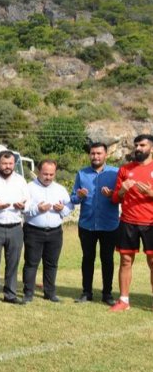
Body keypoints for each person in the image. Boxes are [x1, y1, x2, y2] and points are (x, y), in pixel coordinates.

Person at [70, 143, 119, 305]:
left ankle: (107, 294)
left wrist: (113, 194)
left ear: (106, 155)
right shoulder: (81, 173)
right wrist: (79, 195)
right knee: (87, 259)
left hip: (109, 225)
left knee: (107, 260)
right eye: (92, 153)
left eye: (99, 153)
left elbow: (121, 196)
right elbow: (74, 198)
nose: (95, 156)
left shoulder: (115, 172)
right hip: (87, 225)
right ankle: (86, 292)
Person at [109, 134, 153, 312]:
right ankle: (124, 300)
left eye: (142, 145)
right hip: (128, 222)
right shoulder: (125, 170)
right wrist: (121, 191)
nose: (138, 148)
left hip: (151, 222)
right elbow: (114, 199)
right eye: (136, 145)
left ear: (151, 148)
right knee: (126, 260)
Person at [0, 151, 30, 305]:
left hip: (15, 227)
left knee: (13, 262)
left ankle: (10, 294)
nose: (8, 167)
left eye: (10, 164)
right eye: (4, 163)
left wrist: (23, 206)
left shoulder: (21, 180)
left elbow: (28, 201)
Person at [22, 160, 73, 303]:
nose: (48, 177)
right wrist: (37, 209)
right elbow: (23, 209)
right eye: (45, 174)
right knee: (31, 263)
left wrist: (62, 209)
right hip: (33, 231)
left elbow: (69, 207)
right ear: (39, 172)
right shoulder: (29, 188)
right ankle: (28, 293)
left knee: (52, 263)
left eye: (51, 174)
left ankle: (50, 293)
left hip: (55, 232)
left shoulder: (60, 189)